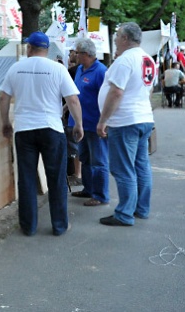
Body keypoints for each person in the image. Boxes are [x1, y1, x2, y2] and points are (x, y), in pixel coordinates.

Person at [0, 31, 84, 236]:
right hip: (51, 129)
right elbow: (72, 100)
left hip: (25, 130)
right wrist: (78, 124)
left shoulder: (16, 68)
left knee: (26, 179)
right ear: (46, 49)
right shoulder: (57, 69)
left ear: (29, 48)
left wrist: (5, 123)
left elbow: (3, 98)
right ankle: (60, 225)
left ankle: (28, 226)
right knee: (56, 179)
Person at [96, 22, 157, 226]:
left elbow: (116, 92)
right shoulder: (148, 59)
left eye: (117, 37)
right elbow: (146, 91)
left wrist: (103, 120)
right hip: (143, 118)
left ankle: (124, 214)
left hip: (125, 121)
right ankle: (141, 208)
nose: (114, 40)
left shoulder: (125, 61)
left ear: (124, 39)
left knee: (123, 169)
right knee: (141, 166)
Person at [68, 38, 109, 207]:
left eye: (77, 52)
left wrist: (104, 121)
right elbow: (77, 94)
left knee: (99, 160)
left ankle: (100, 195)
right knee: (84, 157)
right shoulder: (79, 70)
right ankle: (89, 189)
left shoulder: (101, 72)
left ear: (86, 54)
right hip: (80, 123)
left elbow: (107, 98)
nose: (74, 55)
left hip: (95, 124)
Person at [65, 49, 82, 187]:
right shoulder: (80, 70)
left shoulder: (73, 71)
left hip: (76, 115)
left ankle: (78, 174)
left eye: (74, 52)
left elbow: (72, 97)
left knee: (75, 146)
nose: (71, 54)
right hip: (79, 115)